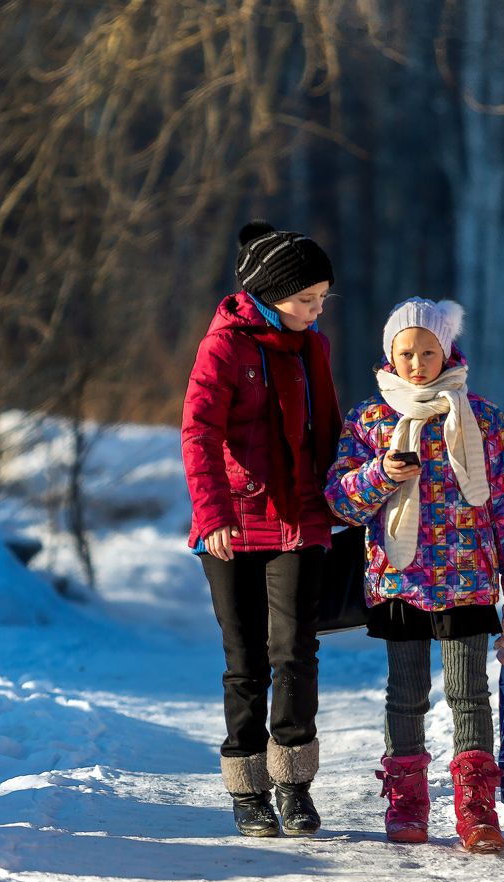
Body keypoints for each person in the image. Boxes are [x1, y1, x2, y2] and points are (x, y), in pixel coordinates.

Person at [325, 297, 504, 852]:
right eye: (406, 352)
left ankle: (476, 806)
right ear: (389, 355)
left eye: (427, 351)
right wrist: (380, 474)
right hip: (399, 581)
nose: (417, 363)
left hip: (468, 579)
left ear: (447, 351)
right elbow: (339, 503)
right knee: (406, 695)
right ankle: (408, 800)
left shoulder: (483, 417)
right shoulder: (371, 419)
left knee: (469, 694)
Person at [181, 221, 342, 838]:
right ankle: (248, 790)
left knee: (296, 652)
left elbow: (325, 430)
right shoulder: (222, 348)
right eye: (307, 299)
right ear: (272, 294)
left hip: (299, 519)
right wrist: (214, 513)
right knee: (245, 660)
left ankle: (294, 784)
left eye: (323, 297)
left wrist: (342, 506)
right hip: (230, 526)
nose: (317, 309)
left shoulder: (314, 347)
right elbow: (200, 433)